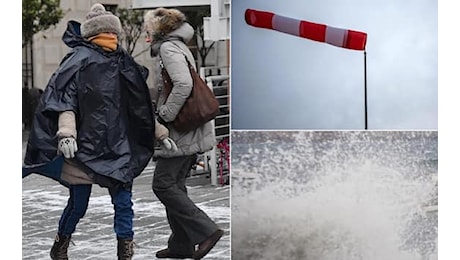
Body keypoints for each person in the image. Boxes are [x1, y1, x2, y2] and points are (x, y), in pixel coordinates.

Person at [22, 3, 176, 260]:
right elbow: (64, 100)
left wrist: (160, 132)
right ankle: (61, 245)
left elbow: (139, 106)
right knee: (81, 201)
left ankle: (124, 252)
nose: (113, 37)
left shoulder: (124, 61)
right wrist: (66, 133)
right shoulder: (79, 60)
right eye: (109, 33)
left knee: (121, 202)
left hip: (118, 144)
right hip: (86, 147)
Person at [143, 7, 224, 260]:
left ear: (159, 29)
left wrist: (165, 114)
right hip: (190, 127)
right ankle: (181, 245)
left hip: (181, 129)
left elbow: (184, 84)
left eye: (148, 28)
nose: (145, 33)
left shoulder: (168, 49)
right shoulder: (178, 46)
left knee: (163, 184)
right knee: (175, 184)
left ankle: (207, 231)